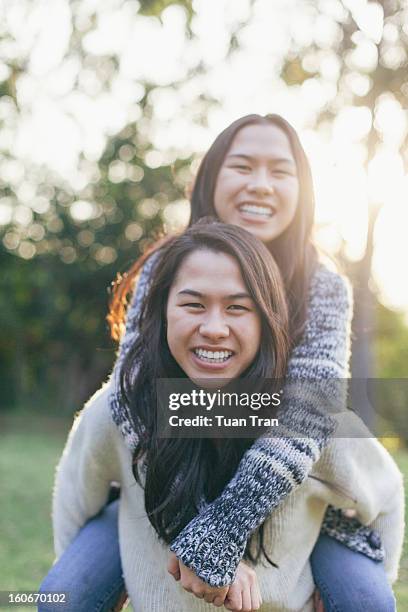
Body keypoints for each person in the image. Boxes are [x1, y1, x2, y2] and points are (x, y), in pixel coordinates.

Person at [40, 114, 398, 611]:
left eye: (280, 171)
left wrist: (222, 530)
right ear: (211, 178)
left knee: (368, 603)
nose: (260, 185)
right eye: (243, 166)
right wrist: (195, 531)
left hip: (294, 488)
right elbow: (142, 401)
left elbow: (308, 415)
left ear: (303, 189)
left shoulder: (323, 287)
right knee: (64, 598)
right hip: (165, 481)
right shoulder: (166, 267)